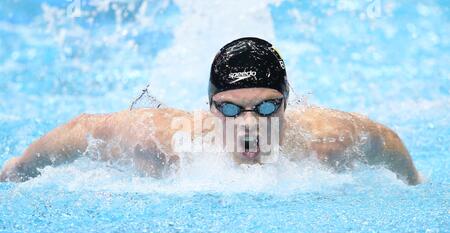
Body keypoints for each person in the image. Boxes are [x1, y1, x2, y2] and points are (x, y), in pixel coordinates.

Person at [0, 37, 421, 185]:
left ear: (288, 103)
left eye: (268, 106)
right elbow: (85, 129)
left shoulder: (326, 140)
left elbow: (385, 140)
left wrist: (416, 182)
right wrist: (15, 170)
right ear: (209, 107)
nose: (251, 125)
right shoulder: (167, 142)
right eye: (232, 110)